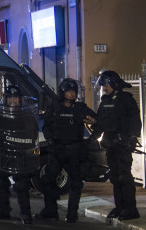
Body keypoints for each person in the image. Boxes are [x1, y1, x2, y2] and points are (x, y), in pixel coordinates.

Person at [39, 78, 96, 222]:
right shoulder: (54, 107)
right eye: (69, 91)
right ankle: (51, 210)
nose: (72, 94)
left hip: (75, 150)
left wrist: (91, 135)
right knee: (47, 180)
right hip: (57, 150)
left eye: (74, 91)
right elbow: (46, 126)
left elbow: (97, 120)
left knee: (76, 183)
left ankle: (72, 214)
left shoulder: (80, 108)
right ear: (62, 92)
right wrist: (50, 140)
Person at [90, 70, 141, 221]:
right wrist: (91, 138)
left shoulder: (126, 99)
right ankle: (119, 207)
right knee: (114, 176)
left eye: (106, 84)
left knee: (124, 176)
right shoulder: (105, 101)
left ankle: (130, 209)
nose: (104, 88)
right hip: (110, 144)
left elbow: (135, 120)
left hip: (123, 144)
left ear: (114, 83)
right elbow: (101, 122)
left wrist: (132, 138)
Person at [0, 85, 39, 224]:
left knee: (22, 184)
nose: (12, 101)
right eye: (10, 98)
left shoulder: (26, 114)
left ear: (19, 100)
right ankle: (3, 210)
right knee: (1, 182)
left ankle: (25, 212)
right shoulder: (0, 113)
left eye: (15, 98)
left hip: (19, 153)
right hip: (3, 152)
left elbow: (33, 132)